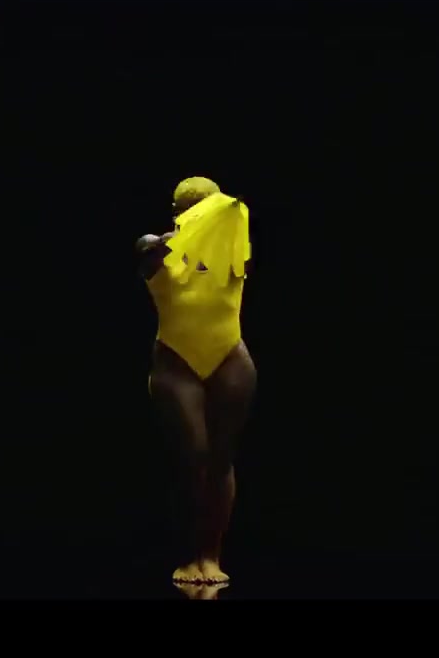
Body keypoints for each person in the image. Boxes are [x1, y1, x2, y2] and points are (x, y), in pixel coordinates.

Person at [136, 176, 257, 585]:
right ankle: (189, 556)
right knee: (193, 457)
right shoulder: (155, 245)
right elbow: (149, 254)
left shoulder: (234, 251)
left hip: (230, 358)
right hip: (176, 362)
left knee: (221, 459)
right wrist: (188, 232)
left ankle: (212, 556)